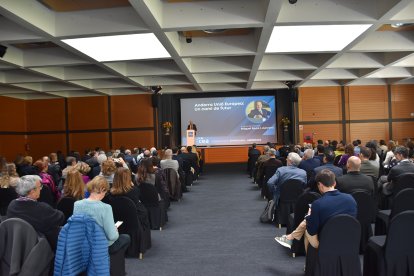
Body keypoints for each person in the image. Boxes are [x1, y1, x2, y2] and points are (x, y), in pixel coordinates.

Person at [274, 169, 357, 252]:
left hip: (326, 242)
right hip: (348, 238)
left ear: (320, 185)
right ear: (334, 183)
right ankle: (290, 237)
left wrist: (309, 216)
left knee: (307, 230)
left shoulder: (318, 204)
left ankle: (310, 264)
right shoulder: (351, 199)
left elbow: (312, 230)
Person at [73, 176, 130, 254]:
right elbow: (112, 236)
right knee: (126, 238)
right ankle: (112, 261)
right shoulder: (106, 208)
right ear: (103, 190)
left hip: (82, 244)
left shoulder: (77, 204)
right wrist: (115, 231)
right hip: (101, 247)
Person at [7, 175, 65, 251]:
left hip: (17, 245)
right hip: (40, 248)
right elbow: (60, 217)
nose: (41, 189)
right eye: (39, 187)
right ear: (32, 191)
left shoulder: (12, 204)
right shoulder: (41, 209)